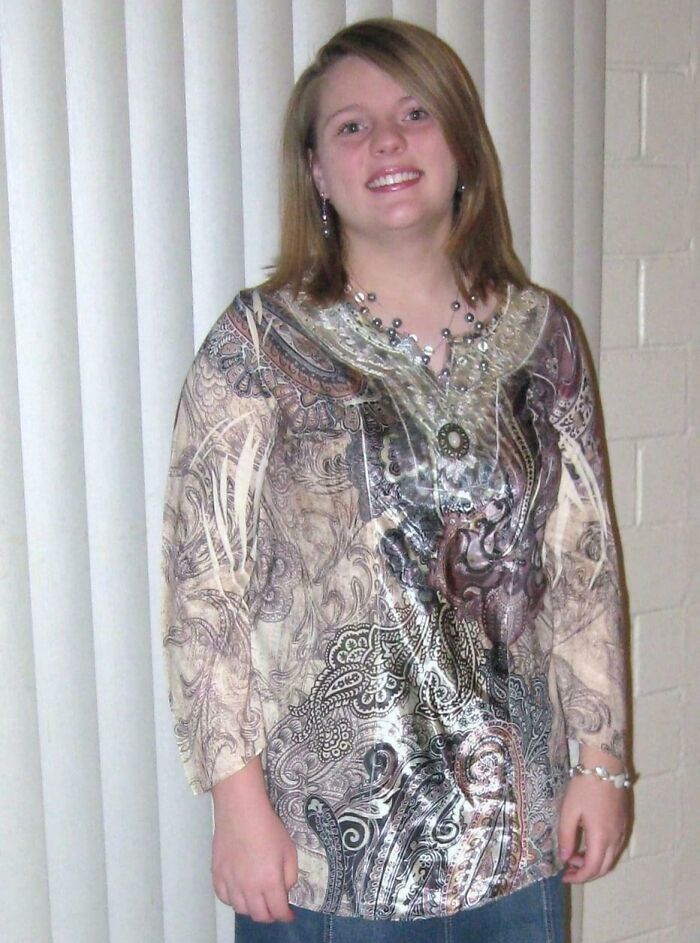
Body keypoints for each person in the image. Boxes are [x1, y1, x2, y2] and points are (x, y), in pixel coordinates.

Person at [161, 17, 632, 943]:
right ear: (317, 171)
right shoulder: (261, 344)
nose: (386, 140)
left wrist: (602, 756)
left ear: (461, 145)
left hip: (516, 835)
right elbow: (203, 581)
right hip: (330, 852)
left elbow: (583, 561)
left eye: (414, 112)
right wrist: (235, 797)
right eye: (351, 125)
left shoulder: (545, 339)